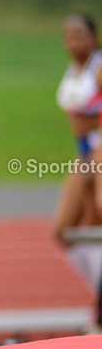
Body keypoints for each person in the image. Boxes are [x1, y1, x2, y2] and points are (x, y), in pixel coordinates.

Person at [52, 13, 102, 245]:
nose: (73, 42)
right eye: (68, 37)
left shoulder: (98, 69)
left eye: (79, 36)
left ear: (93, 37)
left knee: (99, 209)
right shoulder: (72, 70)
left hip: (98, 149)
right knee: (63, 231)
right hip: (83, 152)